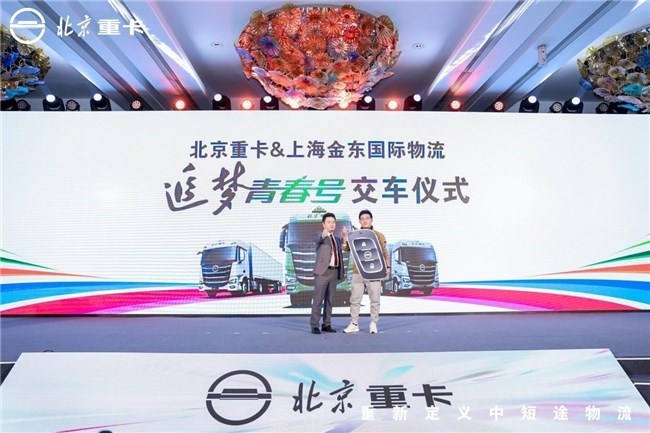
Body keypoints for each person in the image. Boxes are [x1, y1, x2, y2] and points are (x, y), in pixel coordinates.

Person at [342, 209, 389, 334]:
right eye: (362, 219)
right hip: (358, 271)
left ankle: (373, 323)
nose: (365, 221)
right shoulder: (353, 235)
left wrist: (388, 267)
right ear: (359, 221)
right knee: (355, 299)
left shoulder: (378, 235)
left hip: (375, 271)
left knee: (375, 299)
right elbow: (345, 249)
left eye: (367, 218)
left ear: (371, 220)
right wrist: (345, 237)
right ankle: (354, 323)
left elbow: (385, 252)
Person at [310, 212, 346, 334]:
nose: (331, 224)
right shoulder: (320, 236)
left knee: (330, 300)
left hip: (334, 272)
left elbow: (344, 249)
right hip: (322, 272)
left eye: (333, 222)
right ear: (323, 224)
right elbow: (317, 239)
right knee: (318, 300)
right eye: (329, 222)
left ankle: (327, 324)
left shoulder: (337, 239)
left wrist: (344, 236)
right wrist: (324, 233)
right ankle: (314, 325)